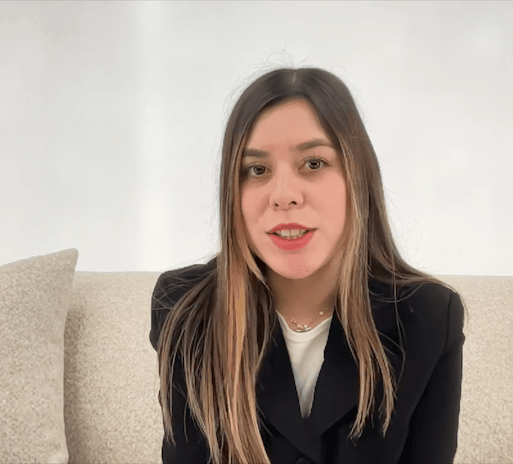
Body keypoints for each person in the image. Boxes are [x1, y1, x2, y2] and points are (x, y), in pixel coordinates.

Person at [149, 66, 467, 464]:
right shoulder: (185, 306)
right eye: (257, 170)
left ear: (357, 178)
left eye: (313, 163)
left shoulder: (428, 316)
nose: (283, 196)